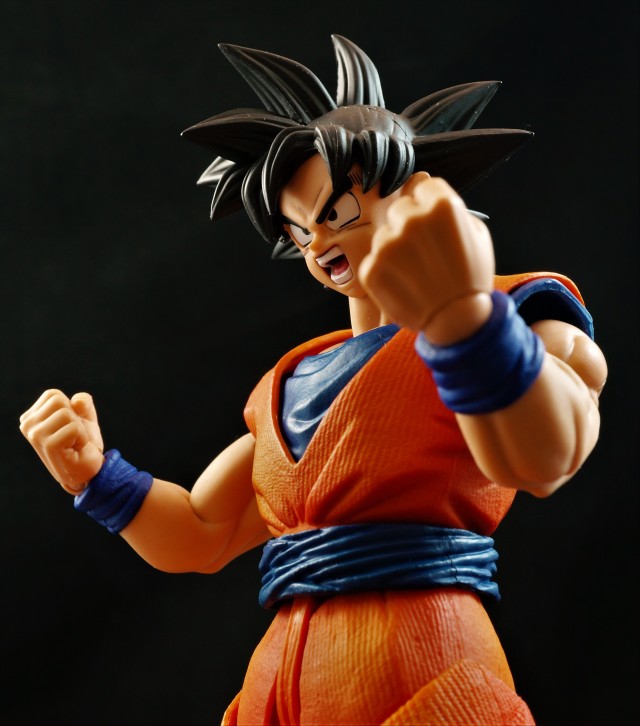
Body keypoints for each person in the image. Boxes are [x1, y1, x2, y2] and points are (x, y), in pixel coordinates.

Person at [19, 36, 606, 725]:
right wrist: (98, 477)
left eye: (337, 213)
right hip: (280, 694)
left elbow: (549, 454)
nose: (320, 243)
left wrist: (466, 321)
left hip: (422, 676)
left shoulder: (511, 312)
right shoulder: (293, 381)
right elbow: (202, 530)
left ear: (412, 192)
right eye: (300, 232)